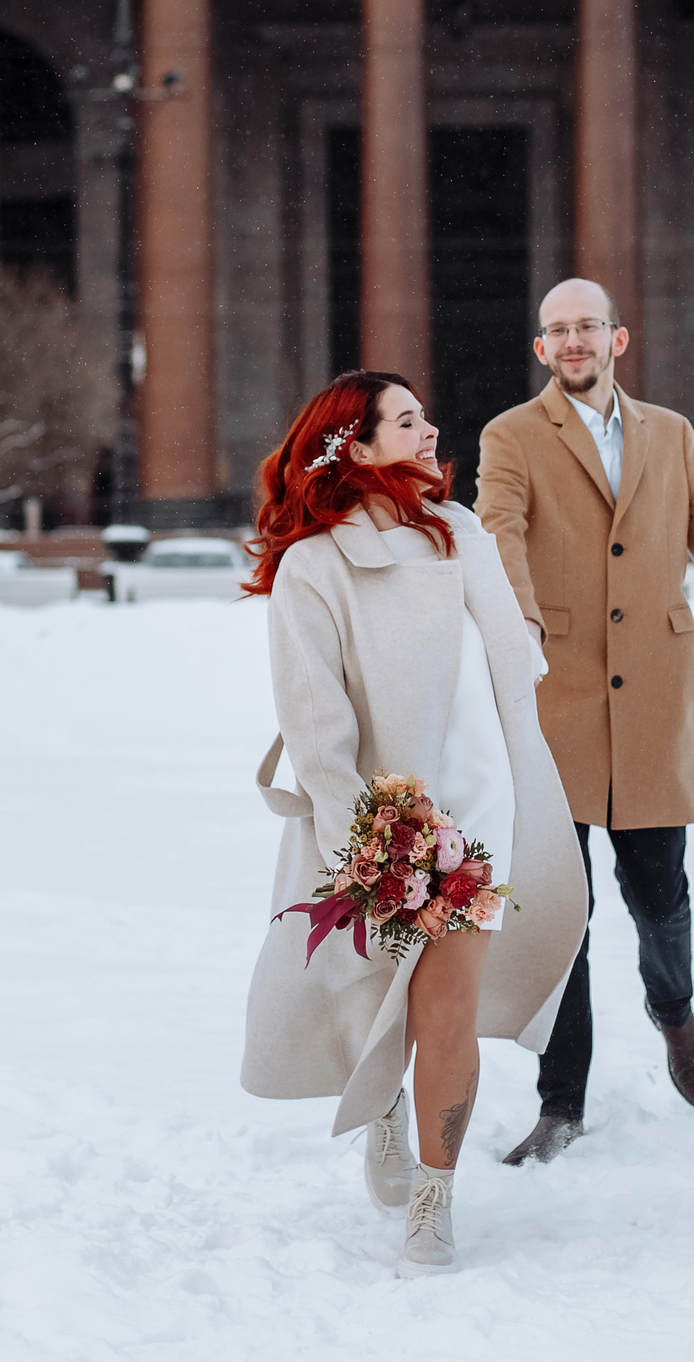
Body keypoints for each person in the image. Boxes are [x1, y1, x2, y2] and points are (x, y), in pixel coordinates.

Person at [240, 370, 588, 1277]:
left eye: (425, 414)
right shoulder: (313, 568)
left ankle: (435, 1198)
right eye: (406, 420)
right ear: (353, 447)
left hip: (486, 811)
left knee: (449, 1009)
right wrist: (372, 832)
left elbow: (509, 666)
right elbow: (319, 725)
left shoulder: (461, 532)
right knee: (372, 985)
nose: (431, 429)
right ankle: (381, 1104)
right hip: (387, 815)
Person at [476, 279, 694, 1165]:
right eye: (557, 330)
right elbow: (499, 532)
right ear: (542, 349)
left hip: (657, 698)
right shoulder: (511, 436)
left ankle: (674, 1012)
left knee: (659, 893)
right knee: (565, 911)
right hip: (555, 702)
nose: (574, 341)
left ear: (619, 337)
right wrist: (516, 630)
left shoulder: (670, 436)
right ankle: (562, 1103)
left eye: (588, 326)